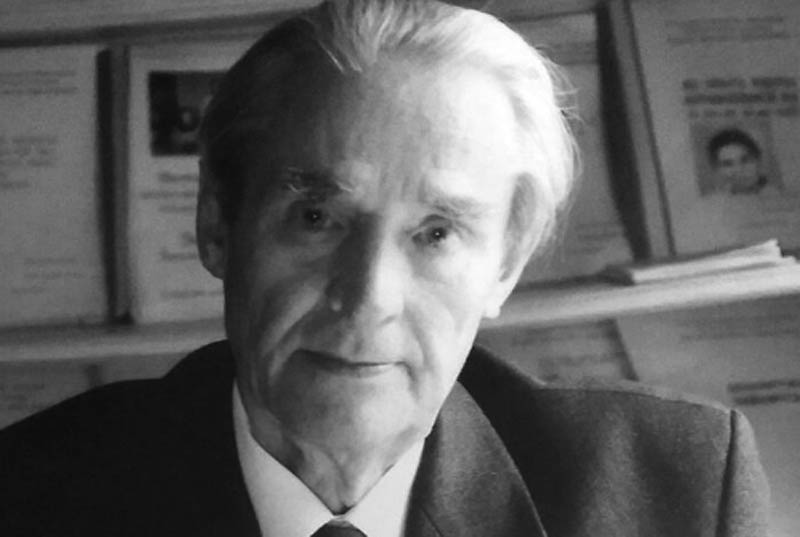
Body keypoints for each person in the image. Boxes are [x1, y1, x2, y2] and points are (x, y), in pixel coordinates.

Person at [0, 1, 770, 536]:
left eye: (436, 233)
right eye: (316, 218)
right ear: (217, 227)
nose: (368, 299)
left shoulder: (682, 493)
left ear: (506, 262)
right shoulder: (29, 493)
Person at [706, 128, 771, 195]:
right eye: (728, 164)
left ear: (758, 160)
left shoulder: (775, 197)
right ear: (717, 169)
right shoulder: (715, 200)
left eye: (745, 160)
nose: (739, 169)